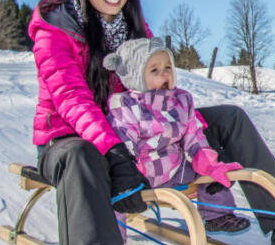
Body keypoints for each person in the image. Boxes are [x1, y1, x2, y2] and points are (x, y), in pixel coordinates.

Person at [30, 0, 275, 244]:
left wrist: (195, 130)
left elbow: (162, 91)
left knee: (229, 118)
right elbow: (71, 98)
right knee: (81, 155)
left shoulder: (133, 28)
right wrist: (115, 152)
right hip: (72, 141)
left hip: (138, 131)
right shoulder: (55, 30)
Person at [103, 37, 249, 238]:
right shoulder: (126, 105)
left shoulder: (181, 100)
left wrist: (211, 164)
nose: (164, 73)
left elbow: (194, 137)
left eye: (168, 67)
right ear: (136, 76)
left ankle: (217, 215)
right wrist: (131, 179)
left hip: (175, 172)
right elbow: (126, 144)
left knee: (208, 171)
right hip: (140, 177)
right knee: (115, 197)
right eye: (154, 70)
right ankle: (112, 238)